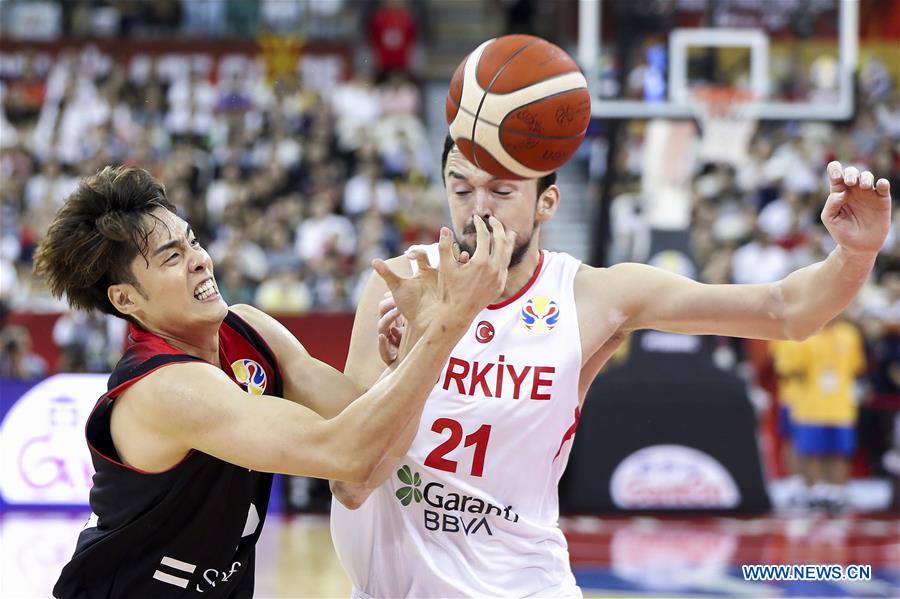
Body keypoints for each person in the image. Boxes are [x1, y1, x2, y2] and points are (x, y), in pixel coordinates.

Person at [329, 135, 893, 597]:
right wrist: (403, 363)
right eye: (462, 188)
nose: (479, 208)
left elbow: (786, 312)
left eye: (501, 191)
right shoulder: (399, 283)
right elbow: (350, 480)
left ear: (546, 202)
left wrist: (855, 255)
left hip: (525, 585)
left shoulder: (592, 296)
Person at [34, 166, 515, 598]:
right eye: (171, 257)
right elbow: (345, 452)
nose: (200, 259)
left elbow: (375, 445)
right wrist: (449, 325)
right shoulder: (163, 388)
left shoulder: (249, 329)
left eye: (194, 241)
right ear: (125, 299)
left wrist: (418, 337)